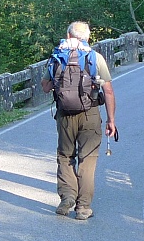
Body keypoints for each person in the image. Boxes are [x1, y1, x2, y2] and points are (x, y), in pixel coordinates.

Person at [41, 21, 117, 220]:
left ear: (68, 35)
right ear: (87, 37)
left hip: (65, 114)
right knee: (87, 160)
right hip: (90, 113)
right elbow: (108, 91)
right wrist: (111, 120)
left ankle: (67, 196)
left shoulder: (58, 56)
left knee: (65, 156)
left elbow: (45, 87)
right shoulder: (95, 57)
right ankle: (83, 208)